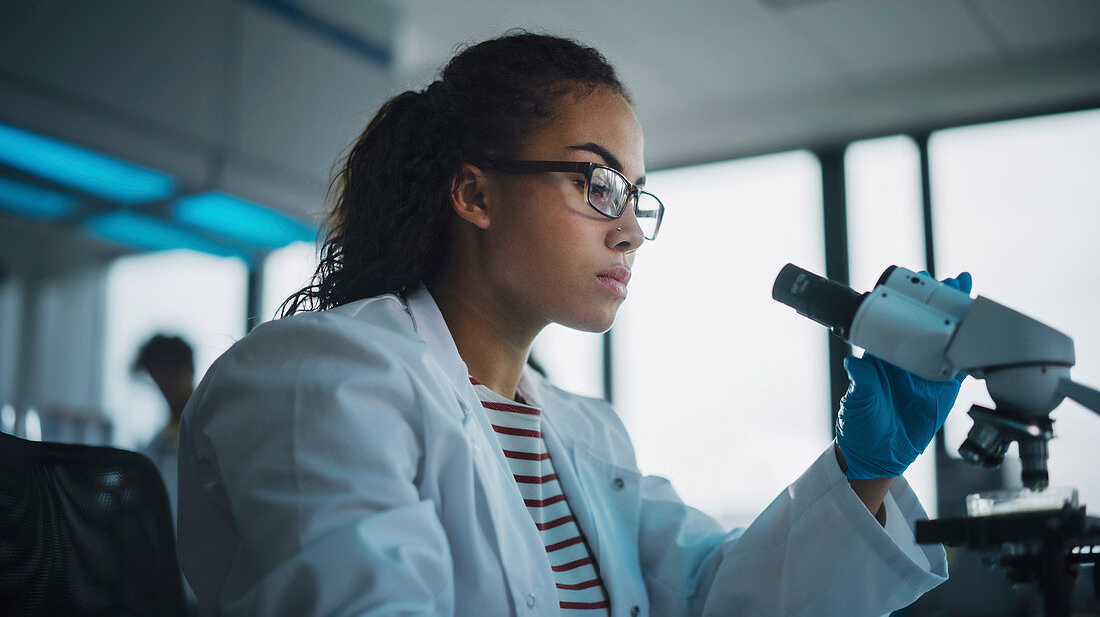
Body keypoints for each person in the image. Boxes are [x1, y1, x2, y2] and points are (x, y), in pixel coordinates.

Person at [177, 32, 966, 615]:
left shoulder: (588, 434)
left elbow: (712, 596)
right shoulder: (323, 375)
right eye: (596, 183)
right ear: (475, 195)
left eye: (636, 195)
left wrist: (862, 470)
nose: (628, 229)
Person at [132, 333, 194, 519]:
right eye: (158, 378)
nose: (165, 388)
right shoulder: (159, 443)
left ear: (188, 369)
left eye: (169, 375)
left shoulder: (206, 430)